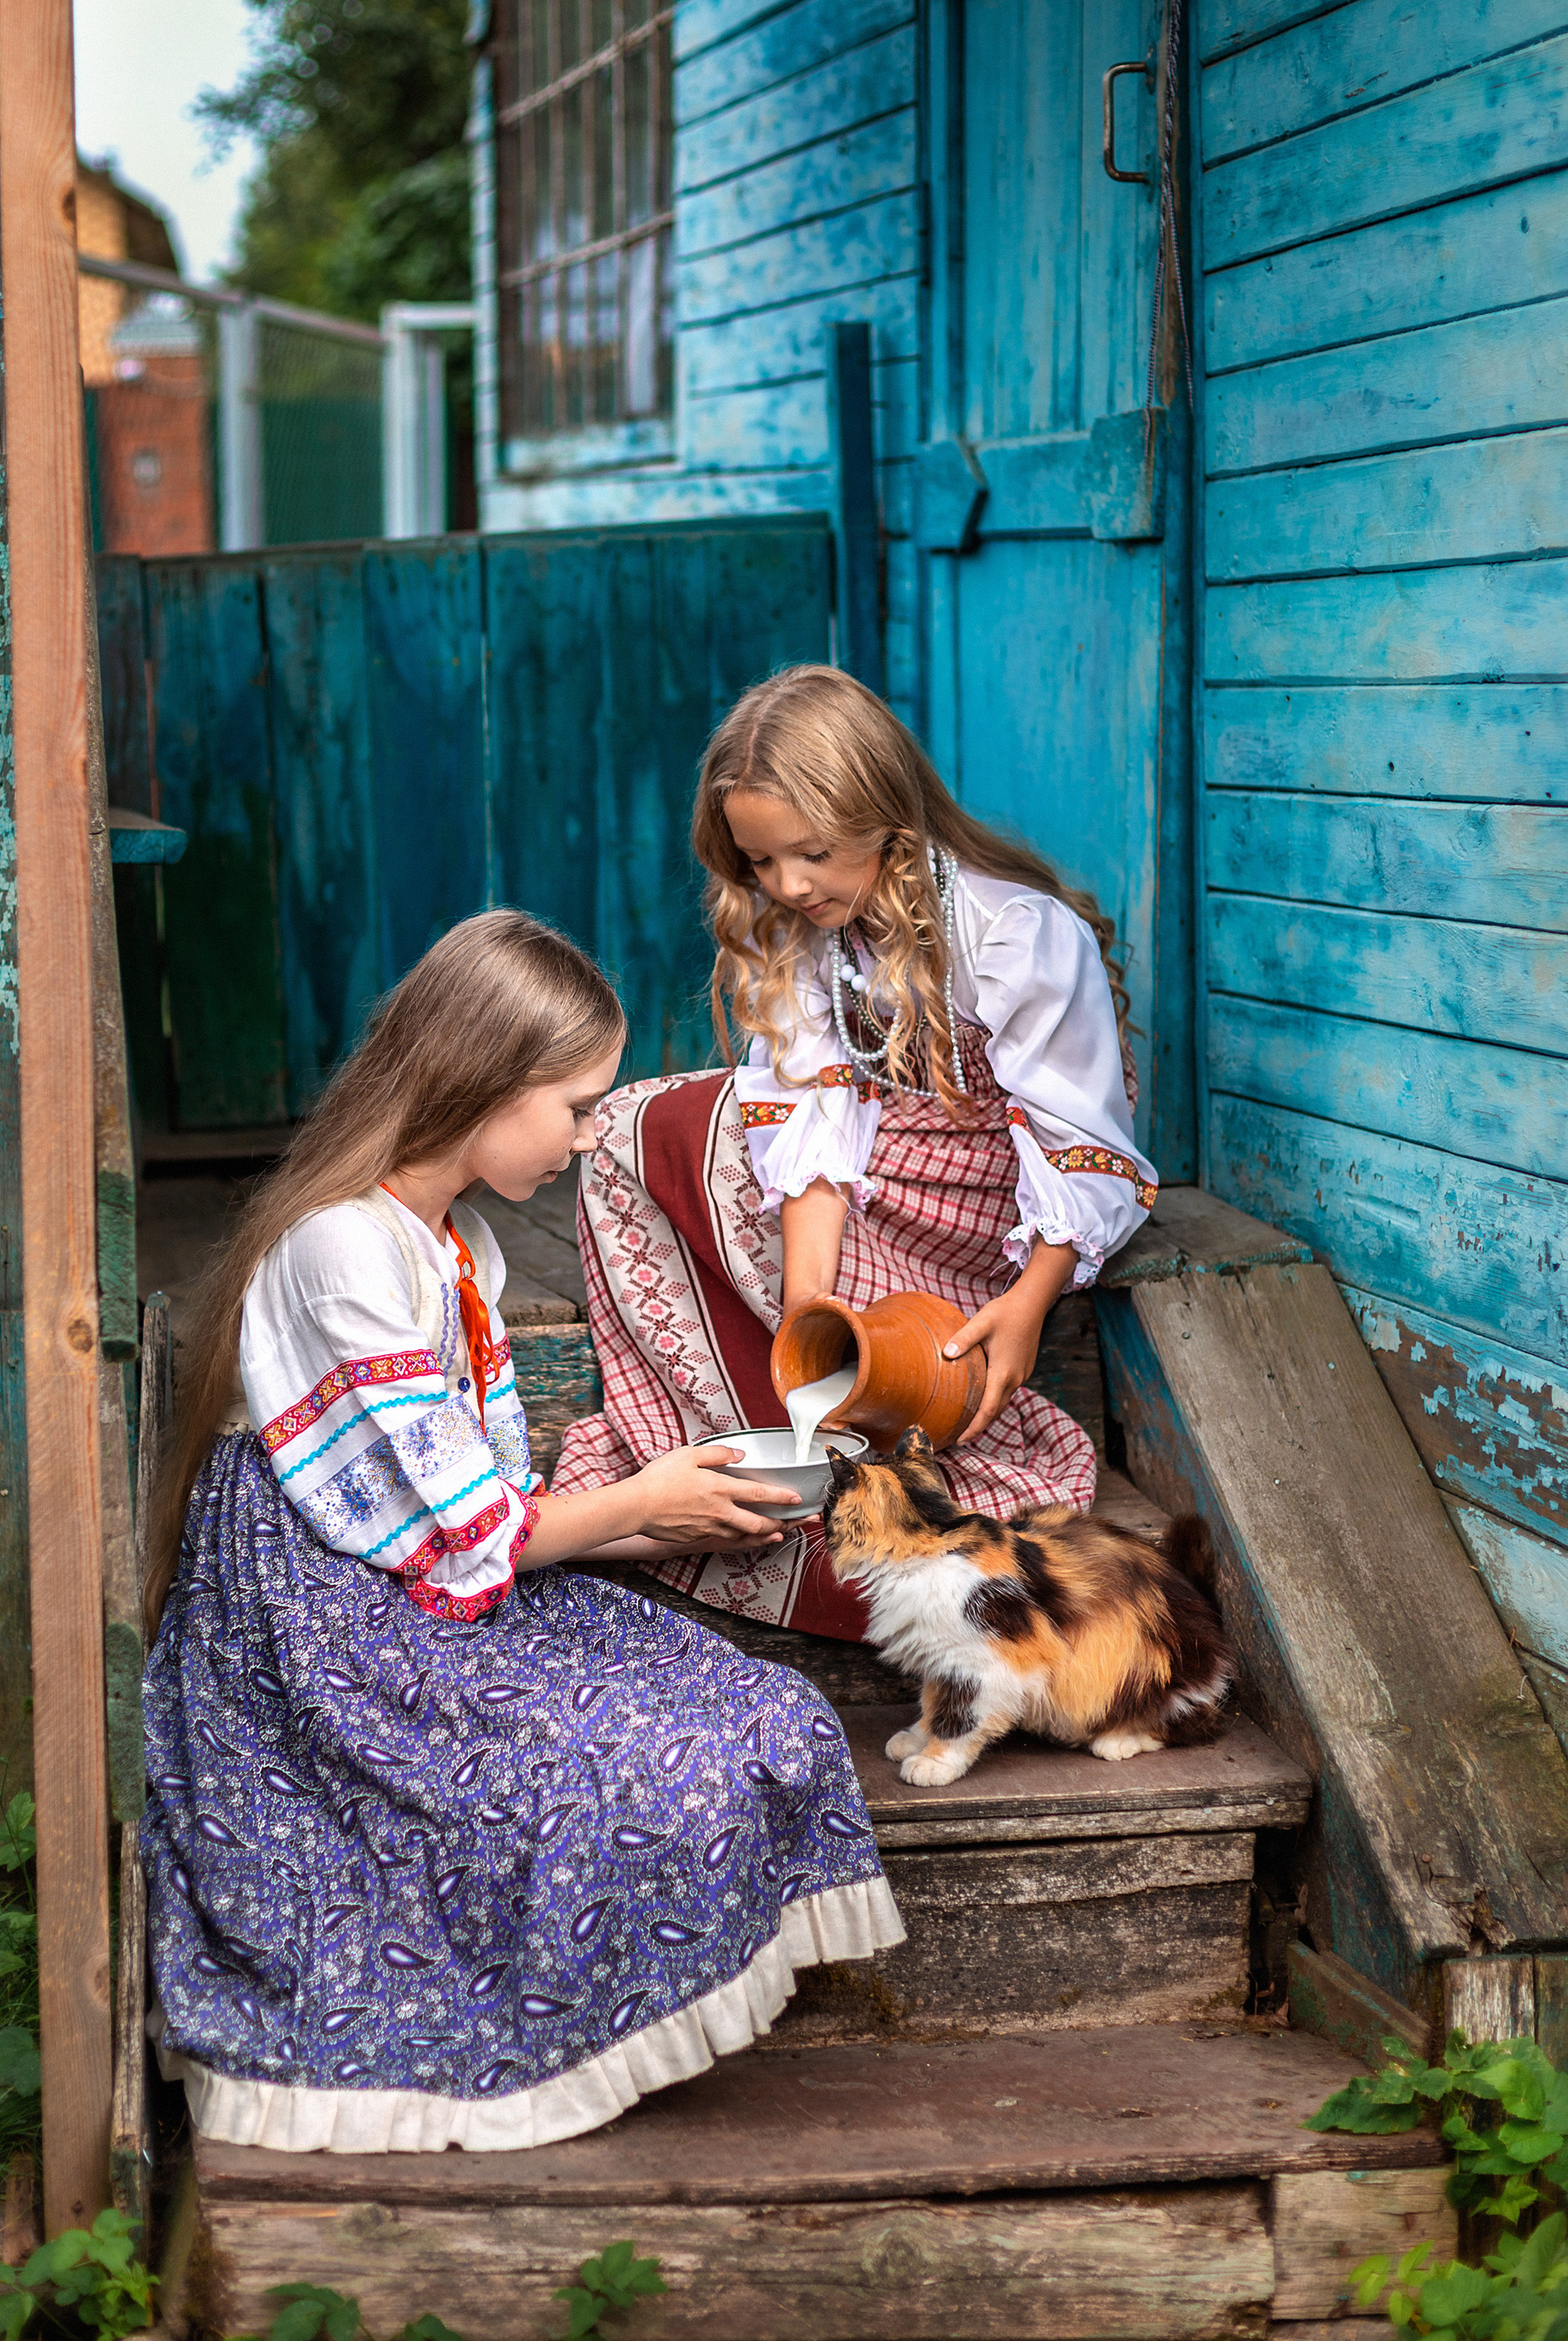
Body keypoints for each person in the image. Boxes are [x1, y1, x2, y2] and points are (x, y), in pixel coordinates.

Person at [141, 910, 903, 2155]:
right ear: (480, 1086)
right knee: (586, 1775)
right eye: (577, 1104)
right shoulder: (341, 1249)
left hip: (426, 1579)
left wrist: (663, 1509)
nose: (593, 1134)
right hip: (322, 1626)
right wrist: (637, 1505)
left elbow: (473, 1509)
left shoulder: (455, 1245)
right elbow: (458, 1530)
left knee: (750, 1710)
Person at [555, 666, 1158, 1641]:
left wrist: (1032, 1300)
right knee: (637, 1124)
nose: (788, 885)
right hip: (870, 1172)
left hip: (987, 1200)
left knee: (707, 1145)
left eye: (814, 854)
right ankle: (757, 1447)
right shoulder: (805, 932)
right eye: (759, 861)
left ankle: (874, 1479)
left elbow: (1079, 1140)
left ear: (887, 814)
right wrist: (805, 1317)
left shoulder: (1011, 933)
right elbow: (810, 1128)